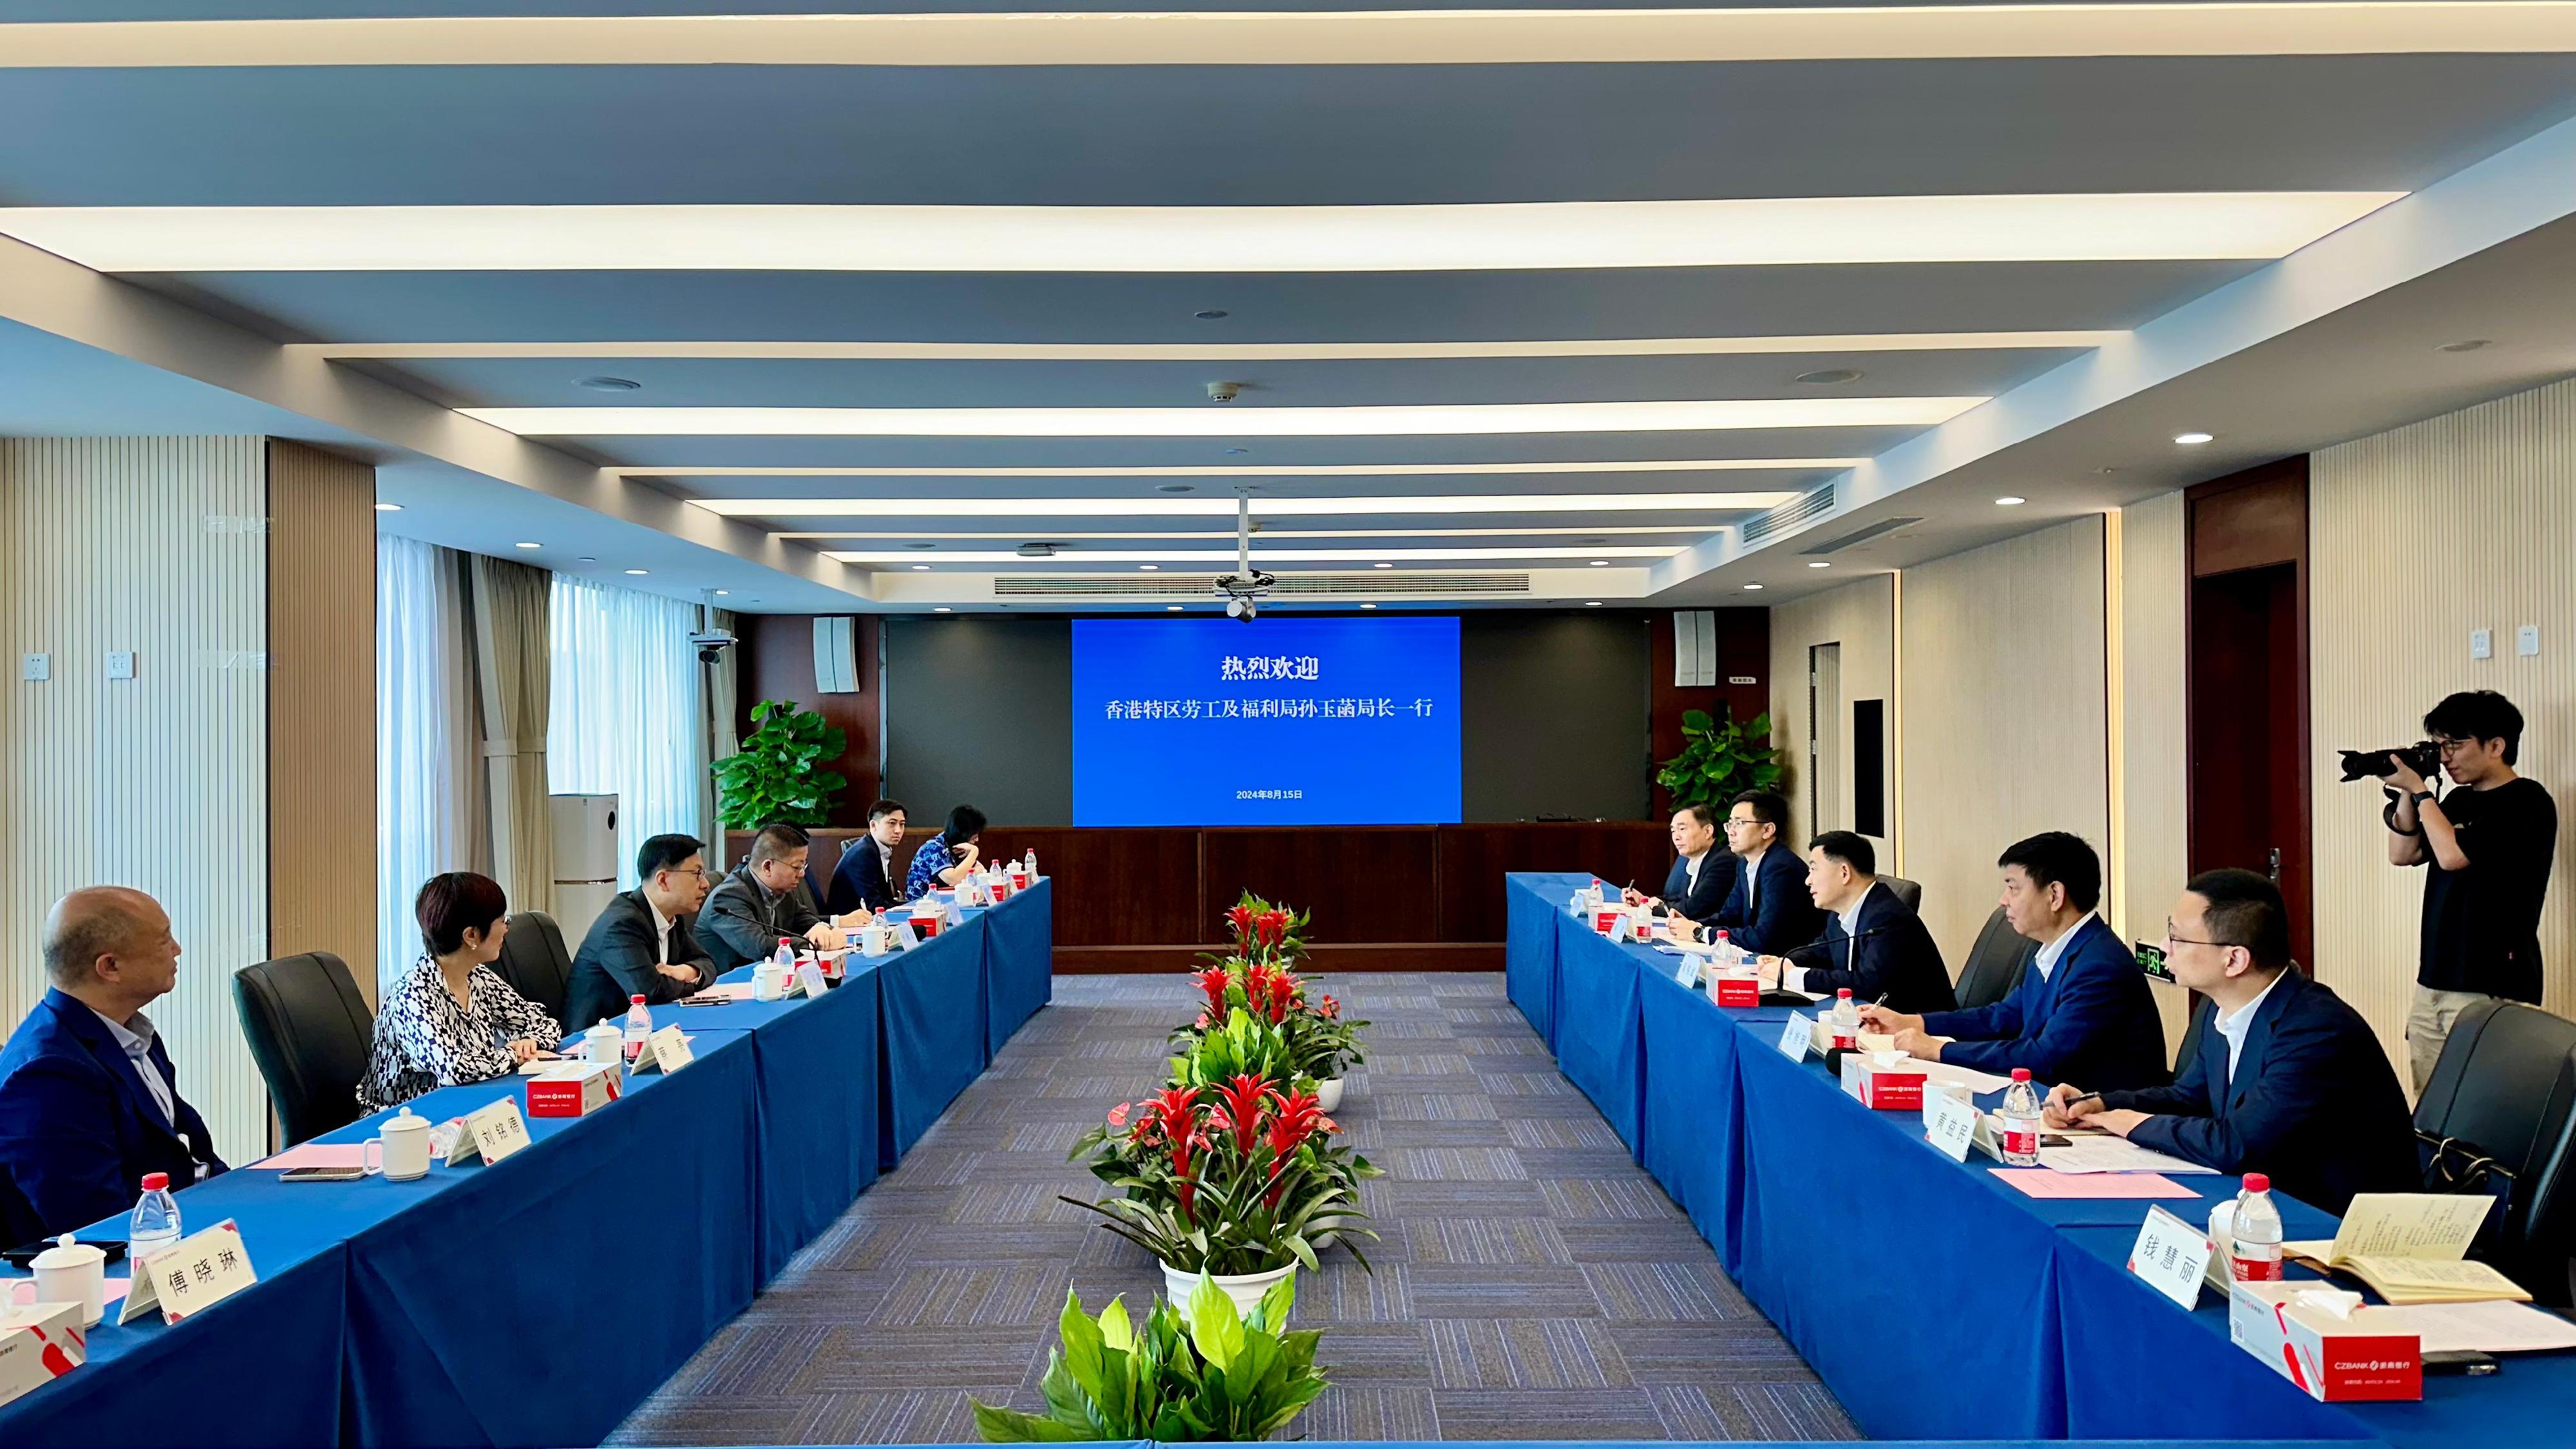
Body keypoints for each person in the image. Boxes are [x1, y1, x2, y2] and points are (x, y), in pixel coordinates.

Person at [2048, 869, 2416, 1214]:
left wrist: (2128, 1122)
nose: (2164, 946)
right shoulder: (2221, 1005)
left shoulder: (2315, 1029)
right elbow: (2191, 1097)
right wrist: (2099, 1103)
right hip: (2266, 1202)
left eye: (2176, 937)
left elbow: (2236, 1146)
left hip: (2334, 1222)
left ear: (2235, 959)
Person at [0, 887, 227, 1243]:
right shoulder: (49, 1073)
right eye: (163, 940)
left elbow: (189, 1151)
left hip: (192, 1217)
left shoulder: (129, 1031)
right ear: (110, 967)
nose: (177, 949)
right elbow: (96, 1223)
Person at [1861, 831, 2167, 1091]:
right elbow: (2004, 1016)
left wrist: (1939, 1049)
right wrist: (1912, 1021)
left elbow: (2045, 1057)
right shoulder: (2055, 948)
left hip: (2099, 1121)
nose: (2003, 899)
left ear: (2055, 895)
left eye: (2013, 887)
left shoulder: (2099, 967)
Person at [2385, 690, 2558, 1092]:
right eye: (2439, 745)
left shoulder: (2527, 801)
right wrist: (2411, 791)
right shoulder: (2459, 800)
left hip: (2491, 979)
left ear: (2496, 746)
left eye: (2455, 745)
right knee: (2430, 1103)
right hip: (2434, 977)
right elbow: (2403, 852)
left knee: (2481, 1103)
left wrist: (2425, 794)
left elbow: (2452, 857)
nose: (2445, 757)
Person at [359, 872, 563, 1113]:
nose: (507, 928)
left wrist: (531, 1042)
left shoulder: (478, 977)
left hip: (466, 1106)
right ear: (471, 935)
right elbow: (454, 1069)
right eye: (502, 920)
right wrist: (512, 1054)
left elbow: (542, 1022)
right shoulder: (412, 997)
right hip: (401, 1126)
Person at [1756, 831, 1956, 1013]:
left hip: (1922, 1031)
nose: (1808, 880)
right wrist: (1787, 962)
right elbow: (1821, 950)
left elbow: (1868, 983)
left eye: (1814, 870)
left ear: (1844, 873)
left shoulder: (1888, 917)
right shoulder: (1840, 913)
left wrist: (1795, 976)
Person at [563, 834, 719, 1033]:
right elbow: (649, 991)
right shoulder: (622, 924)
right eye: (697, 874)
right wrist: (688, 981)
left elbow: (707, 963)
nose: (705, 883)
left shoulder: (671, 916)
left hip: (645, 1029)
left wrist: (687, 972)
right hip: (596, 1042)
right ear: (663, 880)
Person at [704, 822, 870, 974]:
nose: (802, 874)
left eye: (803, 866)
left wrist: (825, 929)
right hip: (730, 987)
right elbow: (760, 947)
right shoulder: (728, 897)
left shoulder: (781, 890)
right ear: (768, 866)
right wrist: (813, 944)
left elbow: (805, 920)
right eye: (797, 867)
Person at [1696, 790, 1823, 954]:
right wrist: (1694, 926)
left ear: (1768, 830)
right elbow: (1729, 916)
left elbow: (1764, 938)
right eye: (1730, 823)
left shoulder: (1781, 868)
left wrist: (1702, 933)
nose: (1731, 831)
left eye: (1740, 824)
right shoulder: (1744, 865)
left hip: (1786, 963)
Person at [1624, 804, 1730, 925]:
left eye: (1682, 829)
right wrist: (1644, 900)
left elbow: (1693, 909)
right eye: (1673, 831)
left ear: (1708, 831)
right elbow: (1677, 899)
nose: (1676, 837)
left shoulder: (1723, 861)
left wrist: (1653, 907)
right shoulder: (1687, 859)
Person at [828, 799, 910, 917]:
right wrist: (911, 911)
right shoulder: (864, 854)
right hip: (850, 924)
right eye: (892, 823)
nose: (898, 830)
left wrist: (913, 907)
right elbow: (874, 905)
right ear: (873, 825)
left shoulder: (877, 849)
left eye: (902, 824)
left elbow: (885, 899)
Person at [903, 804, 988, 904]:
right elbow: (954, 880)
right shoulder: (934, 847)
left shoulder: (957, 845)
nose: (977, 839)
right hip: (919, 907)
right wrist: (974, 852)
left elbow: (981, 871)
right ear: (962, 831)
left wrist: (968, 869)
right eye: (974, 834)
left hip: (942, 903)